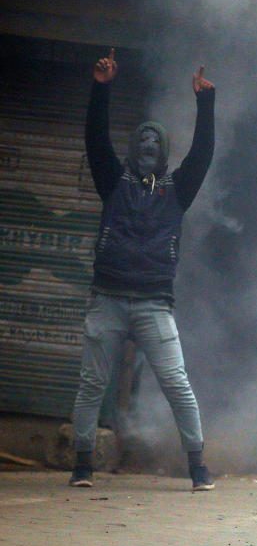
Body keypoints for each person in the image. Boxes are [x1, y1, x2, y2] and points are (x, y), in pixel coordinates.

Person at [68, 49, 216, 490]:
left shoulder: (177, 190)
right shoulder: (113, 180)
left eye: (156, 143)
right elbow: (95, 138)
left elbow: (203, 154)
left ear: (164, 153)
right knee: (93, 384)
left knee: (176, 382)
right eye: (142, 142)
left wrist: (204, 104)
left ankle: (198, 466)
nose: (148, 147)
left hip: (154, 304)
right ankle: (81, 464)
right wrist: (101, 87)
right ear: (132, 151)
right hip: (108, 299)